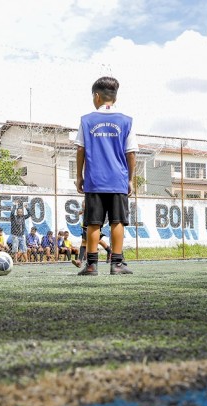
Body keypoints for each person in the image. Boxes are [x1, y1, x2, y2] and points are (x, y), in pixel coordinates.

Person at [75, 76, 138, 275]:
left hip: (94, 180)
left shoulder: (86, 120)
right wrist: (129, 179)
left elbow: (80, 150)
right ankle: (117, 265)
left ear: (96, 96)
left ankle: (92, 265)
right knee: (117, 221)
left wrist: (79, 176)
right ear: (115, 98)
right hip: (118, 180)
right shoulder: (126, 121)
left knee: (93, 223)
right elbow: (131, 154)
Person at [72, 200, 112, 268]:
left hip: (93, 227)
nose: (83, 206)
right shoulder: (84, 211)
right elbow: (80, 213)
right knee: (84, 242)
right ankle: (79, 261)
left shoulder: (94, 210)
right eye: (82, 205)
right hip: (85, 228)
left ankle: (109, 251)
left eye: (84, 204)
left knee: (98, 241)